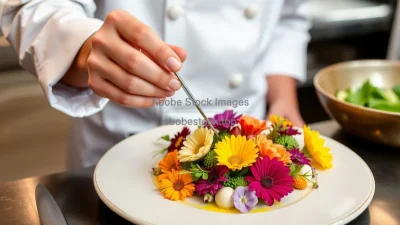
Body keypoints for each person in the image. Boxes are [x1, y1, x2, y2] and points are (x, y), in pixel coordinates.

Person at [1, 0, 310, 169]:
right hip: (119, 145)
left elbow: (289, 16)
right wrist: (83, 49)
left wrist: (283, 101)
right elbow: (28, 5)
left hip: (246, 136)